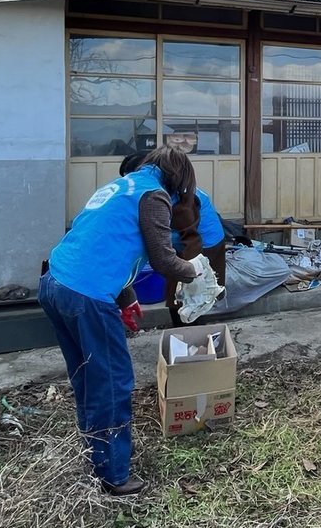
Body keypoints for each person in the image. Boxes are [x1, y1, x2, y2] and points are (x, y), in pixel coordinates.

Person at [38, 145, 200, 496]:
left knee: (87, 374)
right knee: (112, 382)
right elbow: (163, 260)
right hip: (86, 294)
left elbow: (107, 242)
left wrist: (126, 297)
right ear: (179, 179)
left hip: (56, 281)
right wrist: (196, 270)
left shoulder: (121, 186)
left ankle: (94, 451)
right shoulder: (154, 196)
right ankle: (113, 473)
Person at [120, 153, 228, 322]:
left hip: (203, 246)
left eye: (132, 176)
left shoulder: (180, 197)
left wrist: (191, 276)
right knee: (177, 295)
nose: (130, 183)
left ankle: (192, 336)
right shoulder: (159, 187)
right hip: (182, 245)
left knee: (192, 298)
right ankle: (185, 333)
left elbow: (191, 243)